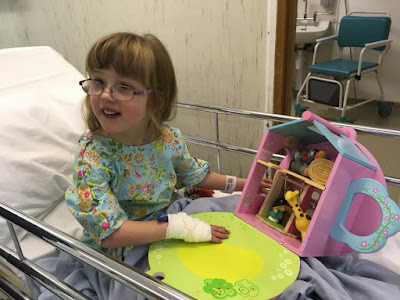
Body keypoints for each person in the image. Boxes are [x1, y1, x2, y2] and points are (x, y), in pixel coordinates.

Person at [65, 32, 272, 261]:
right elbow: (109, 232)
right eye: (98, 81)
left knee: (246, 221)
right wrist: (182, 229)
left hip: (171, 219)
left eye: (123, 87)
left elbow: (195, 176)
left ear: (156, 102)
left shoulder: (166, 140)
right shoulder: (92, 158)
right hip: (127, 246)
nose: (105, 95)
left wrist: (248, 184)